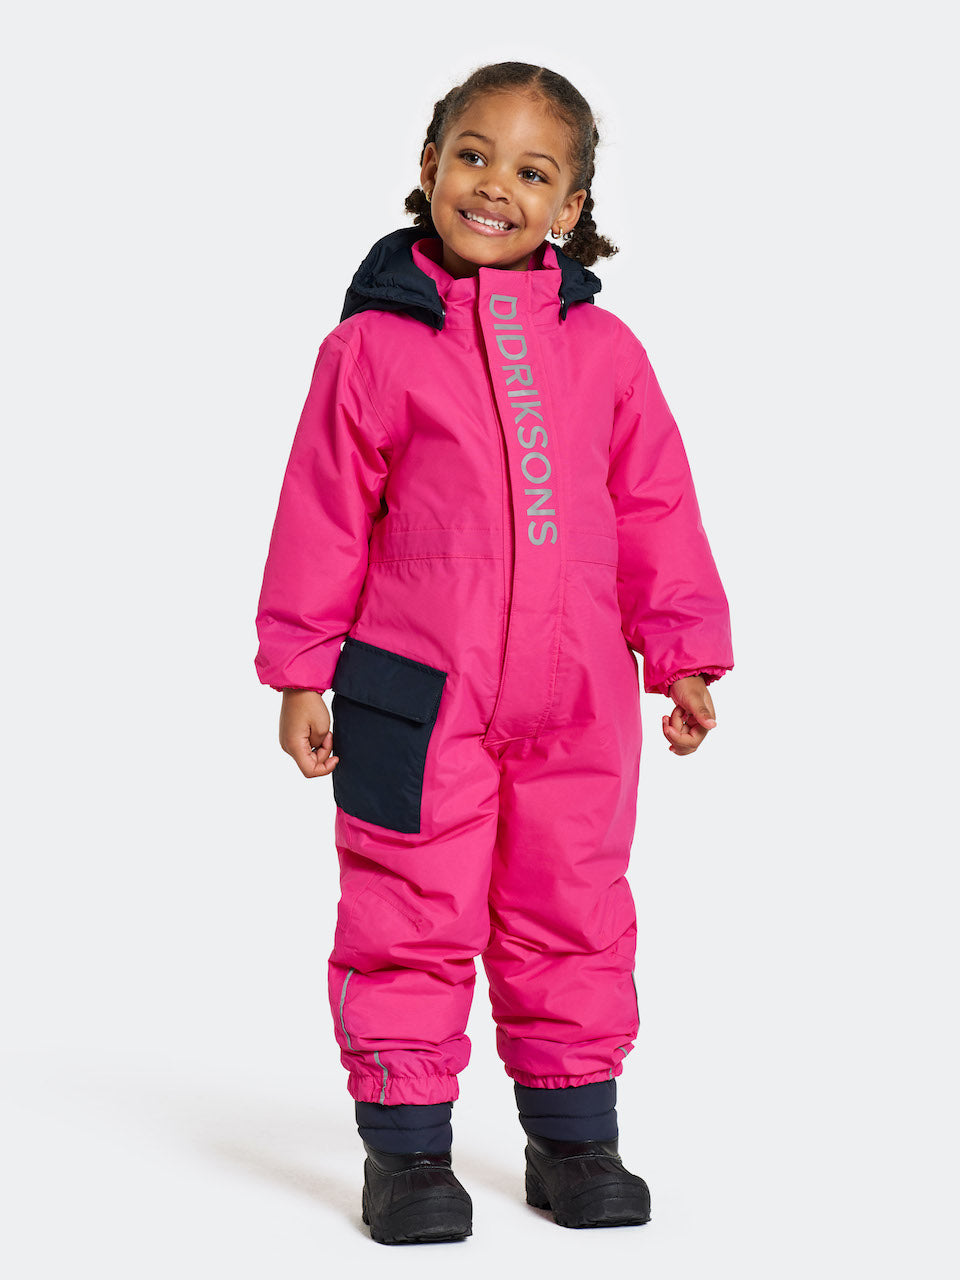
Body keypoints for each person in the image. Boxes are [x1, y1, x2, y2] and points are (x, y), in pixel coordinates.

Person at [254, 60, 734, 1245]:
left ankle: (575, 1136)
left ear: (571, 204)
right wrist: (302, 667)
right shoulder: (372, 347)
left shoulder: (605, 351)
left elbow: (655, 506)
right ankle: (408, 1151)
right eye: (472, 155)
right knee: (408, 907)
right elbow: (322, 511)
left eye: (532, 170)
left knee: (572, 900)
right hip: (416, 691)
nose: (494, 186)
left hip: (579, 695)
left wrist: (680, 650)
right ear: (428, 167)